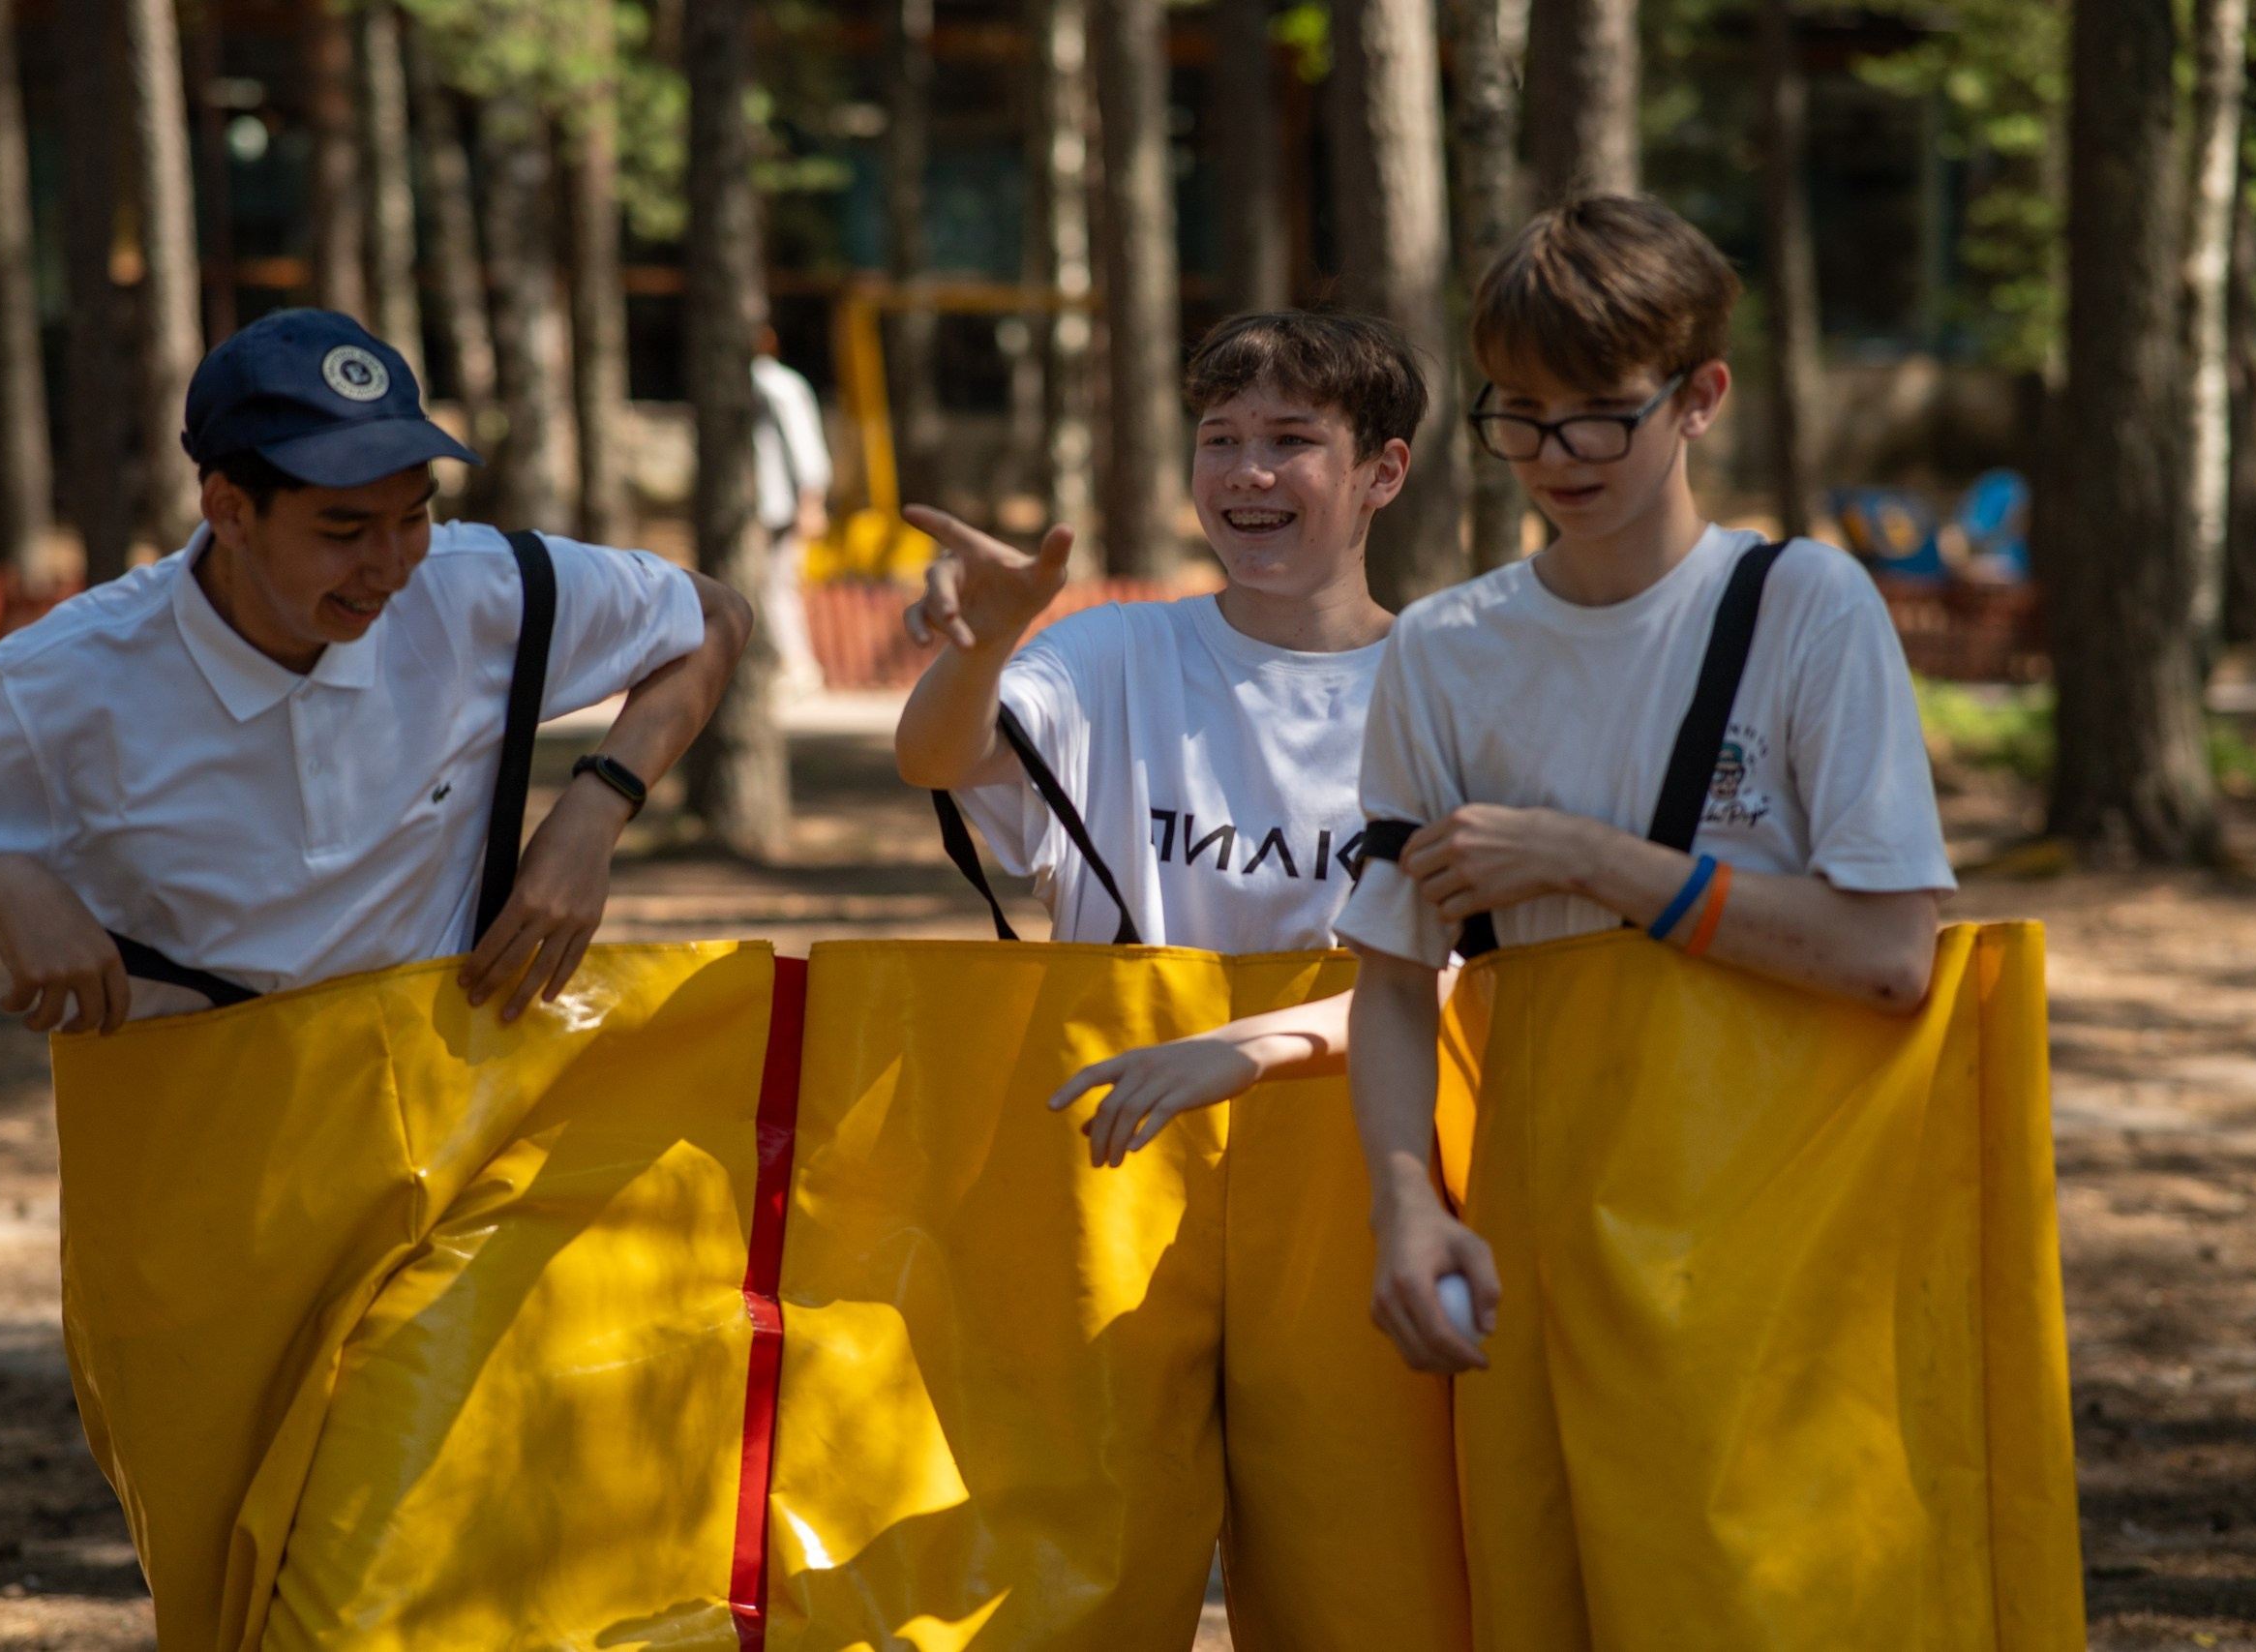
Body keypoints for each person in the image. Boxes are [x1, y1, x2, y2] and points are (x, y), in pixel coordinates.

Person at [1336, 193, 1954, 1373]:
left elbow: (1888, 957)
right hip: (1536, 1243)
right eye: (1520, 417)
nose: (1557, 456)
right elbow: (1397, 984)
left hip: (1785, 1246)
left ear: (1699, 399)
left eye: (1601, 417)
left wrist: (1585, 857)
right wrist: (1404, 1201)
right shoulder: (1442, 647)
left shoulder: (1802, 606)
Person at [0, 308, 749, 1031]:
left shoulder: (480, 591)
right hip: (201, 1185)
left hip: (450, 1159)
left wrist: (595, 811)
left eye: (413, 515)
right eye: (344, 530)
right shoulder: (61, 685)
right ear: (228, 509)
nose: (391, 565)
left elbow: (712, 617)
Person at [895, 309, 1422, 1164]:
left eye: (1291, 440)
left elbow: (1460, 977)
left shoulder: (1442, 693)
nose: (1248, 473)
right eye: (1219, 440)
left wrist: (1247, 1050)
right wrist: (983, 648)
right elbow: (933, 756)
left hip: (1350, 1181)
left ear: (1382, 472)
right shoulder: (1114, 653)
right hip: (1120, 1167)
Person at [753, 323, 833, 699]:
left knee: (777, 585)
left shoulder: (774, 386)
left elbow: (804, 447)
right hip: (768, 503)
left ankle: (796, 664)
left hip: (775, 505)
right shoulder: (781, 383)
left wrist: (810, 502)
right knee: (771, 585)